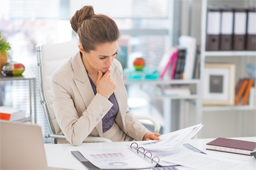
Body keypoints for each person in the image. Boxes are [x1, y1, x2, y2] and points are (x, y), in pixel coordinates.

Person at [50, 5, 161, 146]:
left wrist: (143, 134)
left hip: (122, 143)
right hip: (89, 147)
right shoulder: (61, 79)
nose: (110, 62)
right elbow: (74, 136)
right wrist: (101, 96)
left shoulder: (115, 67)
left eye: (114, 54)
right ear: (82, 49)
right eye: (102, 57)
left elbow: (123, 114)